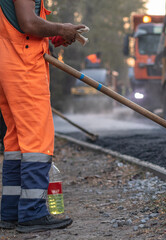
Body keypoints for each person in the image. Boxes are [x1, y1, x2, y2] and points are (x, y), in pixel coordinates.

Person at [0, 0, 85, 233]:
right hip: (23, 66)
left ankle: (11, 212)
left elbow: (18, 26)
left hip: (9, 63)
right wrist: (60, 28)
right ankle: (32, 213)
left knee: (17, 141)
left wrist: (54, 38)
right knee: (37, 141)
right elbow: (28, 23)